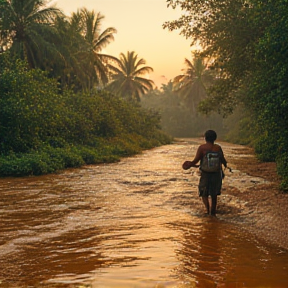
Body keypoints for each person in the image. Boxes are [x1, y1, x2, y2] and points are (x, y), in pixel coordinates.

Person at [182, 130, 227, 216]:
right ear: (215, 138)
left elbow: (195, 161)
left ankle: (207, 210)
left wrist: (189, 164)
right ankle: (213, 212)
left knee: (203, 193)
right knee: (214, 194)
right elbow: (223, 160)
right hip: (216, 174)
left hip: (205, 174)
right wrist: (225, 166)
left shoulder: (202, 148)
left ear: (205, 138)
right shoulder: (218, 148)